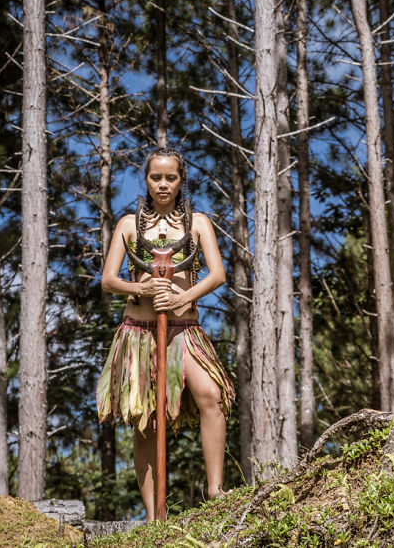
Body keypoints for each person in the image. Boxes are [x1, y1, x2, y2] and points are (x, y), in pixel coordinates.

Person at [97, 147, 235, 521]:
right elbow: (109, 280)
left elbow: (217, 274)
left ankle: (216, 492)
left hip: (184, 328)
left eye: (170, 177)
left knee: (211, 395)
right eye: (155, 177)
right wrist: (140, 289)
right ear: (146, 180)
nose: (162, 184)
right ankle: (155, 518)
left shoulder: (198, 223)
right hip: (139, 331)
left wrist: (183, 297)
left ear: (180, 180)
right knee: (146, 419)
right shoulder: (129, 225)